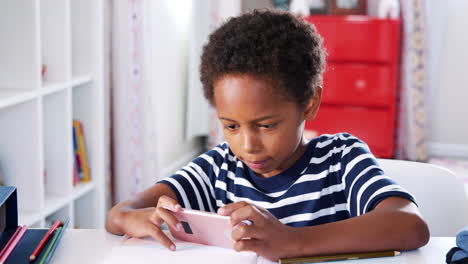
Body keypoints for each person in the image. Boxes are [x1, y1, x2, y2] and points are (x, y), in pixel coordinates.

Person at [106, 9, 429, 261]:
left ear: (309, 104)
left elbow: (410, 226)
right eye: (231, 126)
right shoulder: (218, 167)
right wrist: (128, 218)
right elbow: (121, 212)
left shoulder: (341, 158)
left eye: (267, 125)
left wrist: (294, 241)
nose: (248, 146)